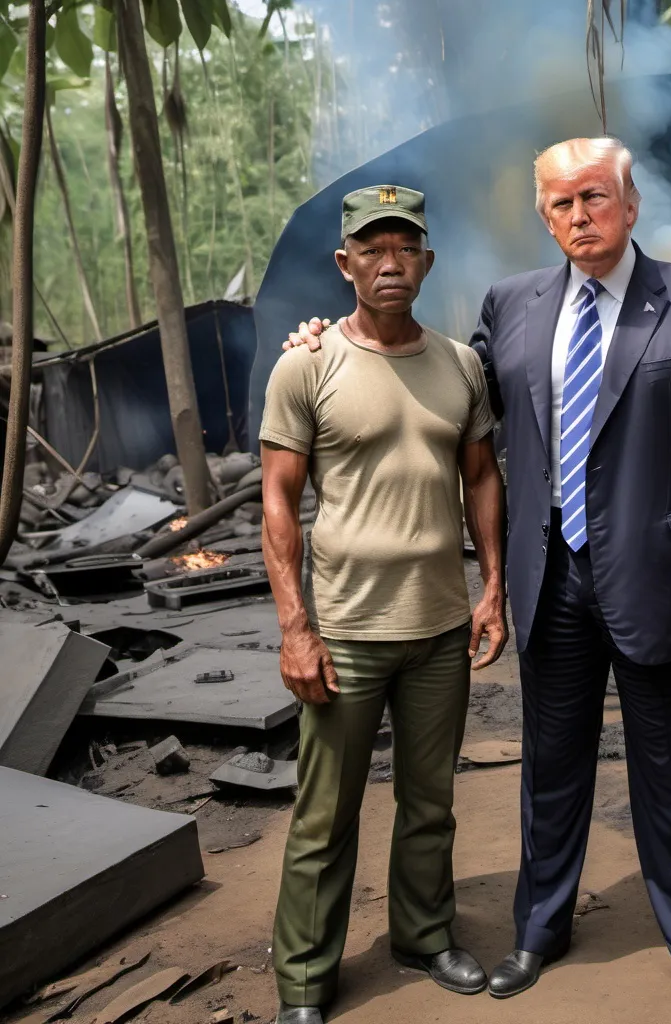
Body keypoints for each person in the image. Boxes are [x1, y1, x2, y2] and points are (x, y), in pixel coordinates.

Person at [287, 137, 671, 1024]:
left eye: (593, 197)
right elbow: (440, 395)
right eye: (559, 204)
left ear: (630, 202)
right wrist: (329, 340)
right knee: (551, 772)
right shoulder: (510, 306)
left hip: (669, 581)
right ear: (542, 215)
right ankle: (539, 931)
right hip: (554, 580)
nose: (578, 216)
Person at [261, 184, 507, 1024]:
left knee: (430, 800)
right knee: (324, 815)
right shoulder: (308, 364)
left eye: (405, 247)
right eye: (372, 248)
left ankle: (424, 935)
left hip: (439, 627)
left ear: (427, 262)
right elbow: (277, 504)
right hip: (347, 631)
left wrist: (494, 589)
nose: (390, 261)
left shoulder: (460, 364)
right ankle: (303, 979)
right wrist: (296, 628)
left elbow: (481, 477)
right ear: (345, 263)